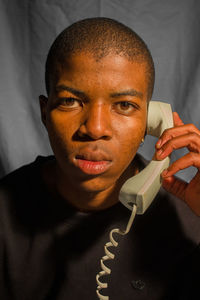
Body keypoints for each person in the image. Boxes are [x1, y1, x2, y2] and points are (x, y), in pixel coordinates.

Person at [0, 17, 199, 300]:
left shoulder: (189, 221)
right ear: (45, 114)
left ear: (151, 123)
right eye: (70, 100)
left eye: (124, 105)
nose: (94, 128)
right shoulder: (5, 212)